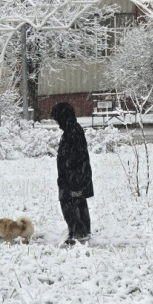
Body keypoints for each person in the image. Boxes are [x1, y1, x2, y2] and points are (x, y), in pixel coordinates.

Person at [50, 102, 94, 245]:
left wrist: (69, 179)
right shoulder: (72, 130)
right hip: (75, 178)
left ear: (64, 117)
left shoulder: (72, 132)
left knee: (70, 204)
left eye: (58, 120)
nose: (58, 124)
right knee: (78, 203)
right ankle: (81, 232)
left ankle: (77, 233)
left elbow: (75, 158)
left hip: (74, 179)